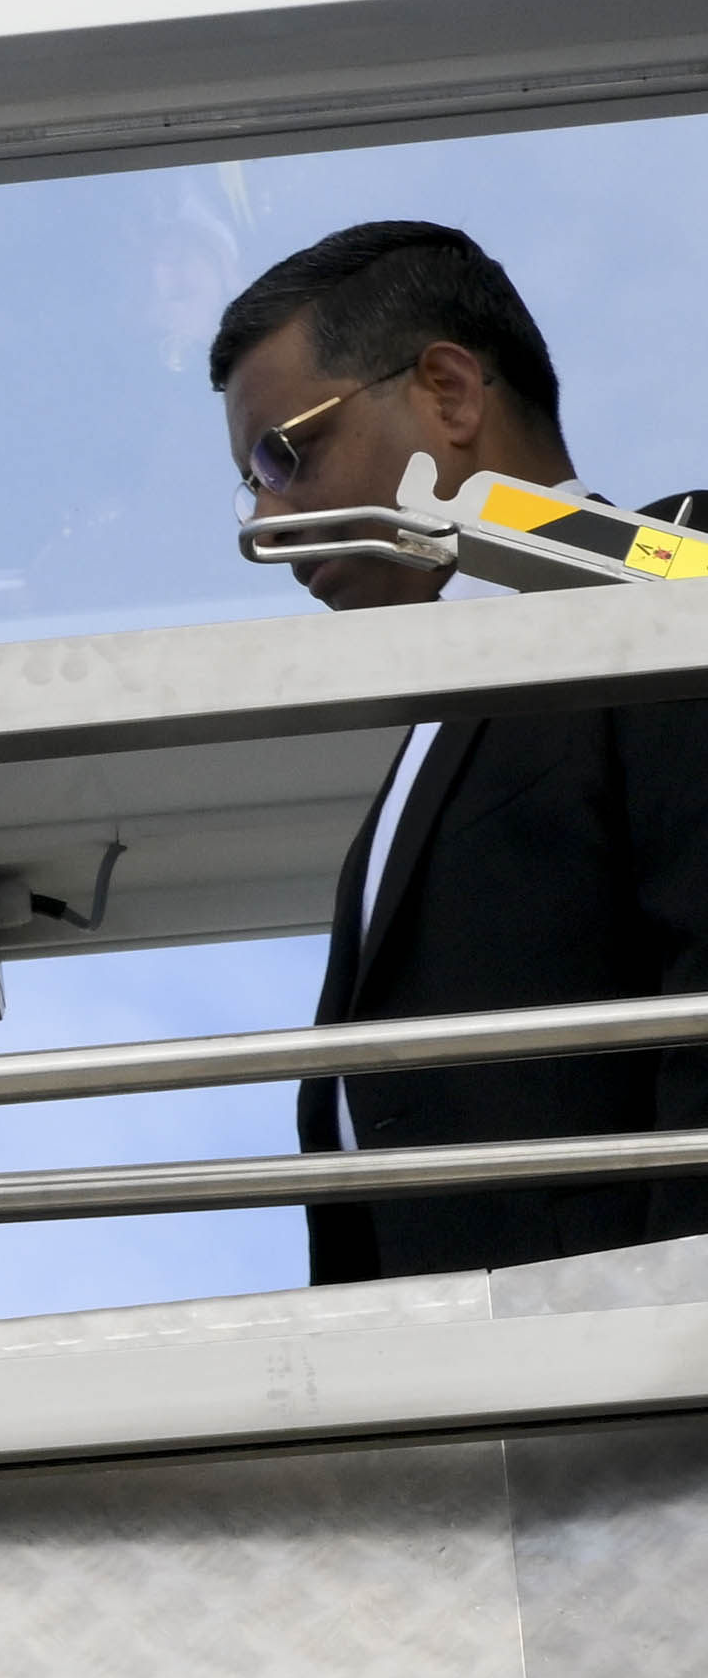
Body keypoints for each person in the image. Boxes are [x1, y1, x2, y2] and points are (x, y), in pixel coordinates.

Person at [211, 218, 708, 1280]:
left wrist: (675, 1322)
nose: (265, 519)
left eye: (281, 452)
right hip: (457, 1392)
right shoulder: (439, 730)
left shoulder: (661, 578)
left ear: (449, 391)